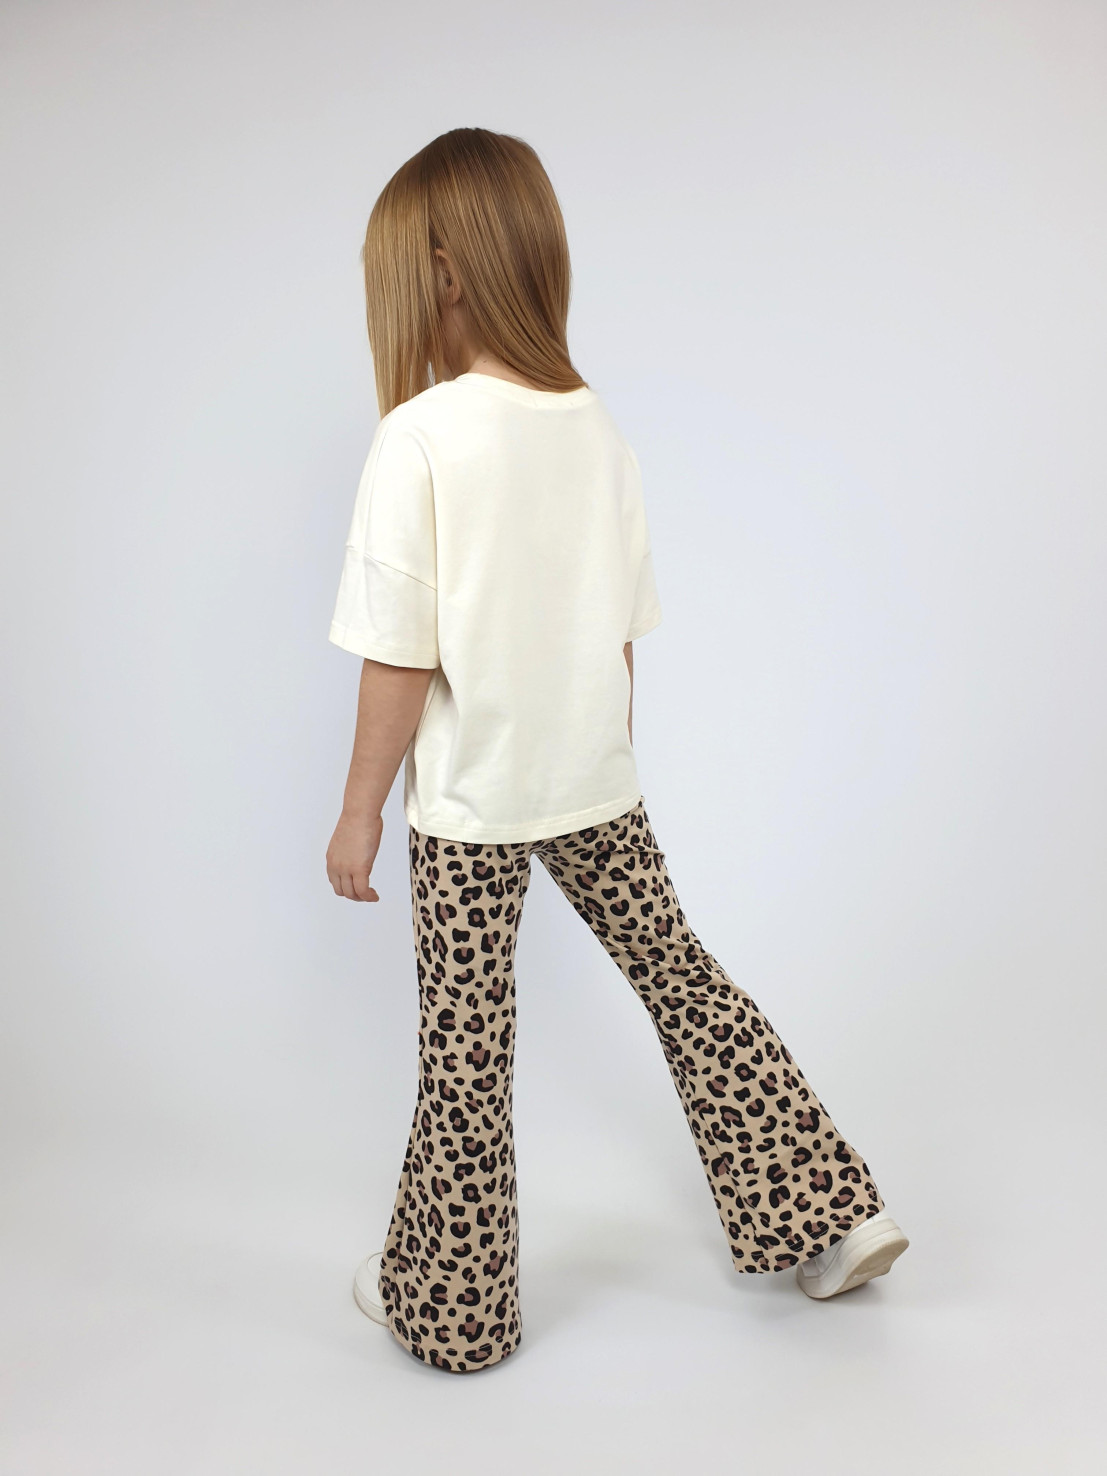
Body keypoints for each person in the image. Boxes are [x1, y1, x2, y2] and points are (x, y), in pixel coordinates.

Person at [325, 127, 908, 1376]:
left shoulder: (420, 437)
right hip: (595, 788)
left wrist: (360, 810)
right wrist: (596, 763)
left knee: (465, 1060)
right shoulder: (594, 429)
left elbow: (398, 657)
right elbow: (618, 641)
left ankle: (455, 1311)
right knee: (686, 984)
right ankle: (831, 1210)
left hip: (471, 813)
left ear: (442, 272)